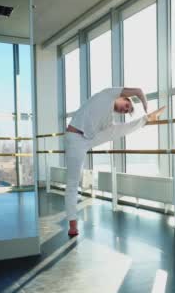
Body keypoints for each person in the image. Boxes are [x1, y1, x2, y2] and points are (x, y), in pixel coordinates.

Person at [64, 87, 165, 236]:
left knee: (116, 130)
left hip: (88, 138)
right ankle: (73, 224)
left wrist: (145, 116)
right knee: (72, 183)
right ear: (123, 98)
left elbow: (117, 130)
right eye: (127, 106)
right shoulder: (108, 94)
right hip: (75, 137)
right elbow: (138, 91)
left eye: (127, 111)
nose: (125, 110)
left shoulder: (108, 120)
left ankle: (146, 120)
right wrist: (144, 103)